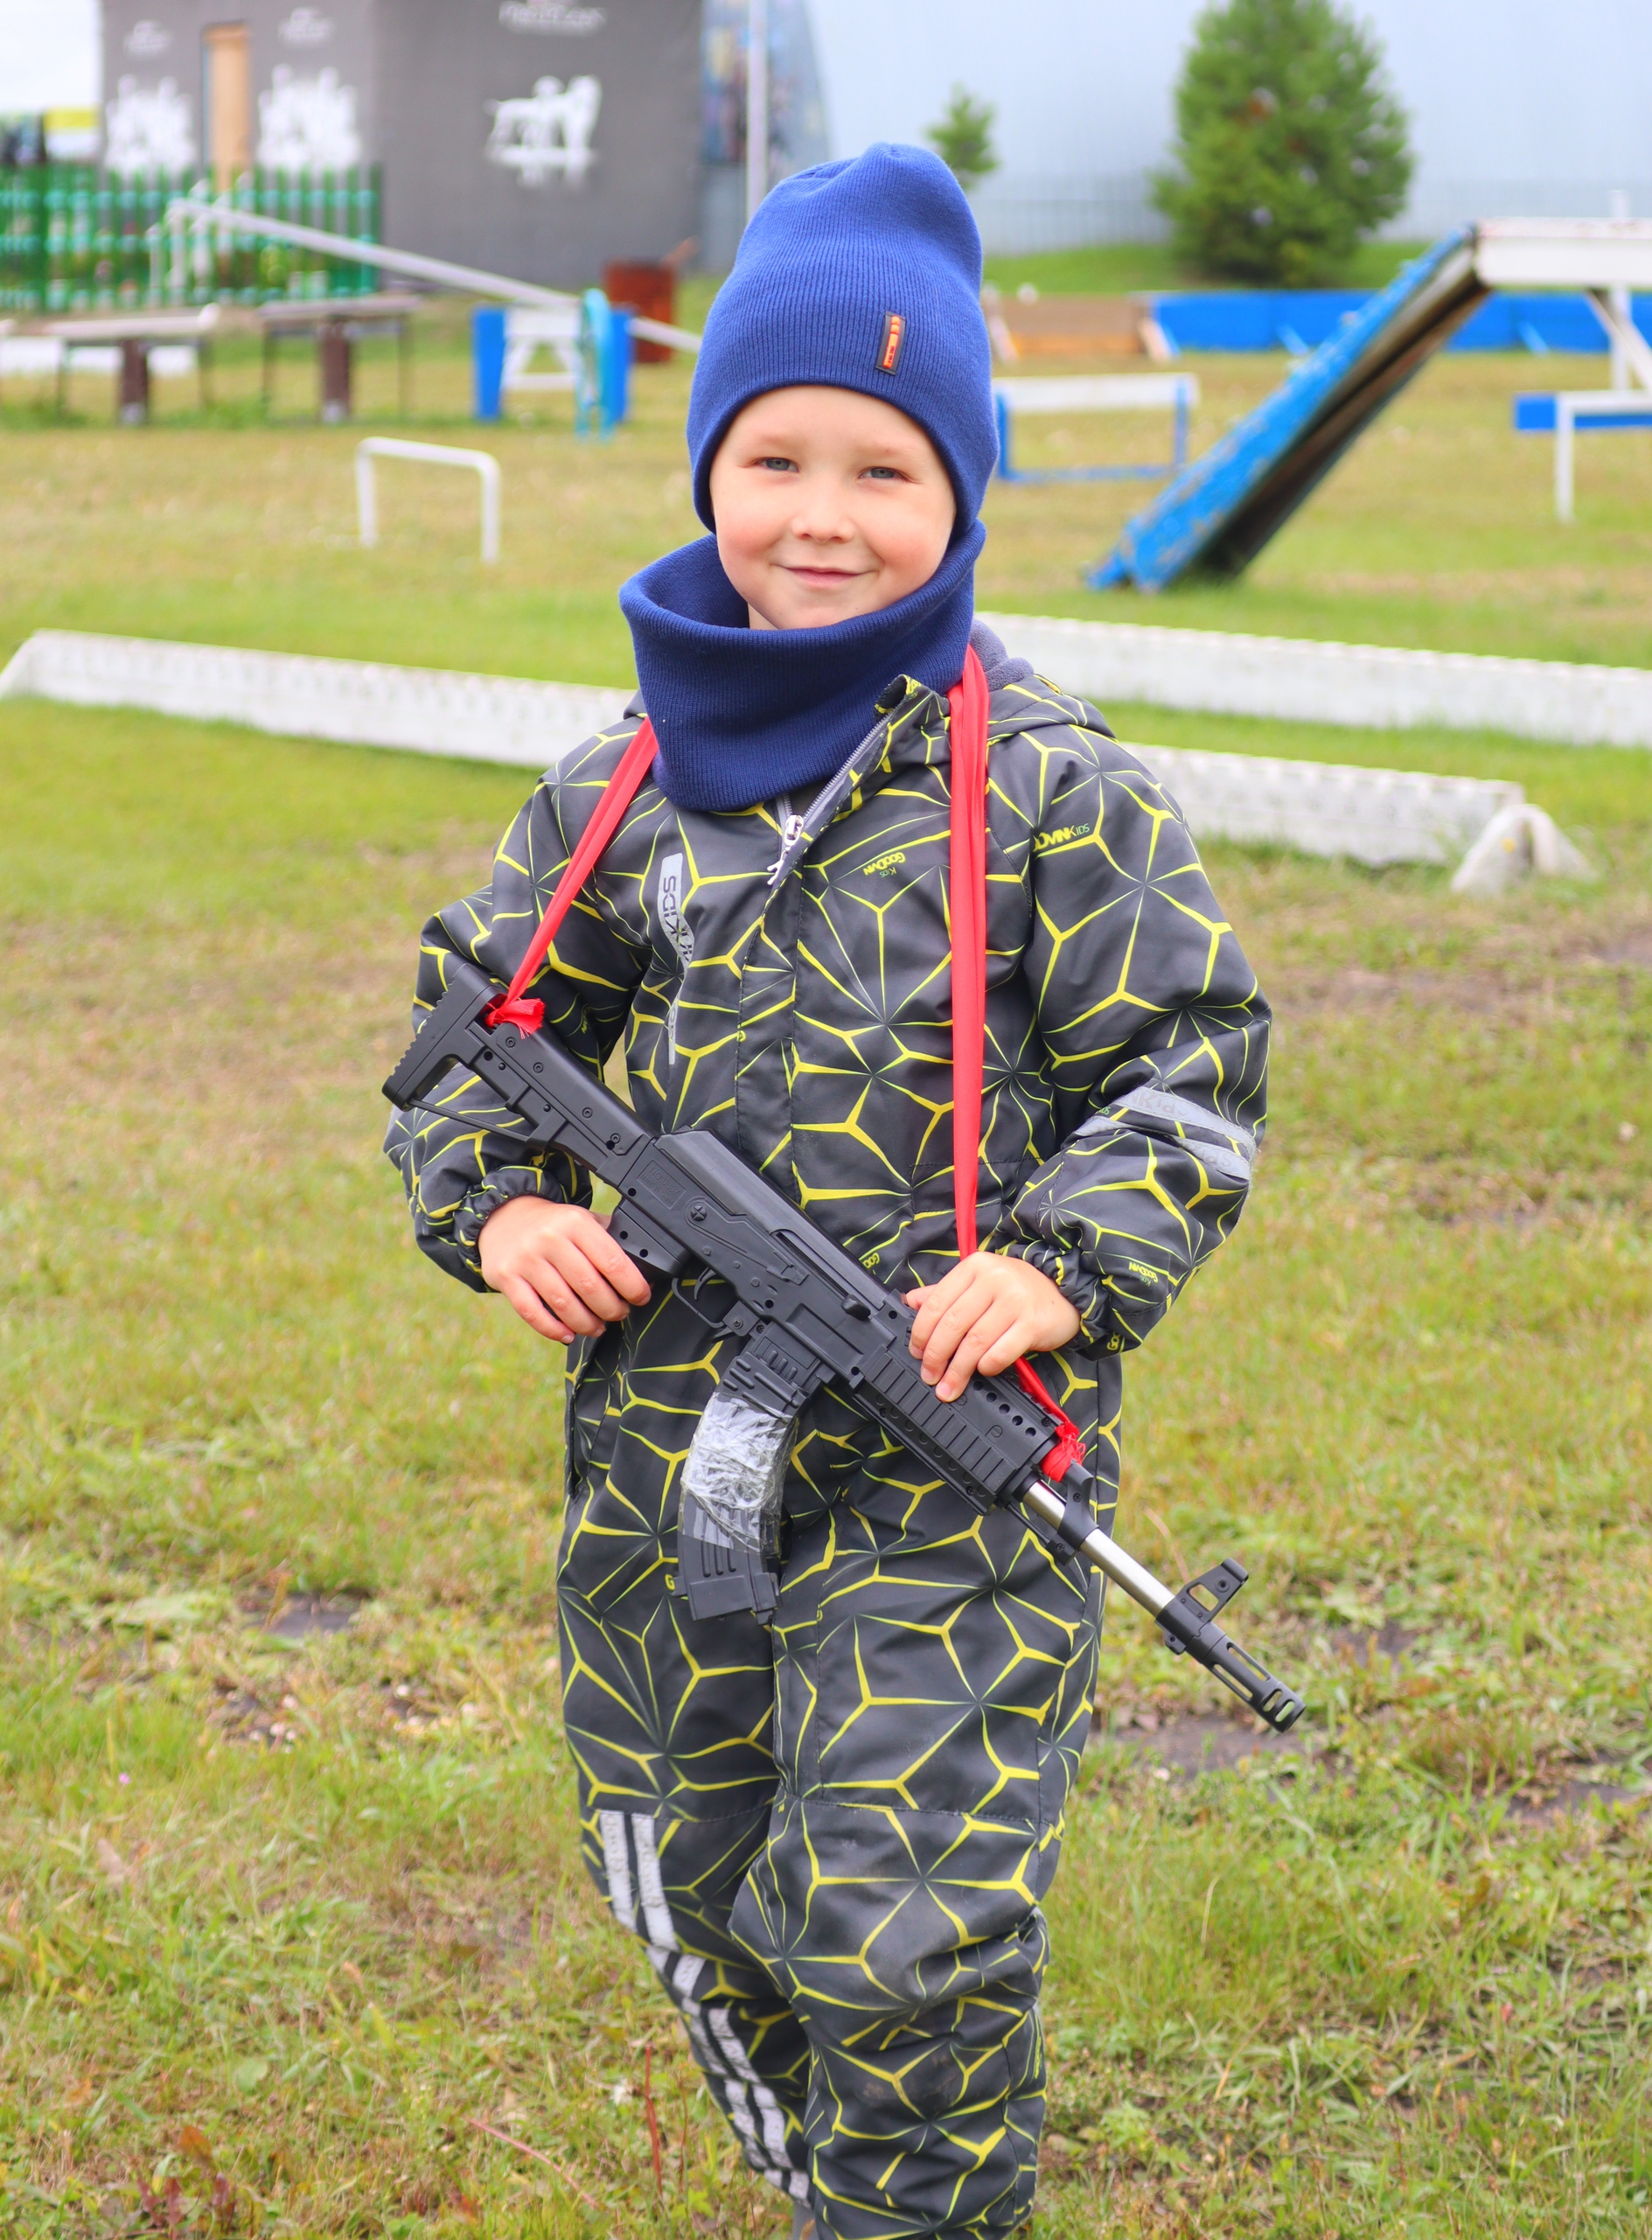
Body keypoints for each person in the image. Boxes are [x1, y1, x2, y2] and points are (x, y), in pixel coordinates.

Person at [387, 144, 1270, 2240]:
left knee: (899, 1938)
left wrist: (1054, 1266)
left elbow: (1192, 1066)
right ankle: (840, 2195)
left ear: (961, 497)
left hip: (952, 1476)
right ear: (707, 471)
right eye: (773, 454)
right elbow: (472, 1025)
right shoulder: (619, 780)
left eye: (885, 469)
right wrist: (504, 1211)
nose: (819, 515)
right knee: (698, 1896)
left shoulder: (1050, 781)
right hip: (659, 1462)